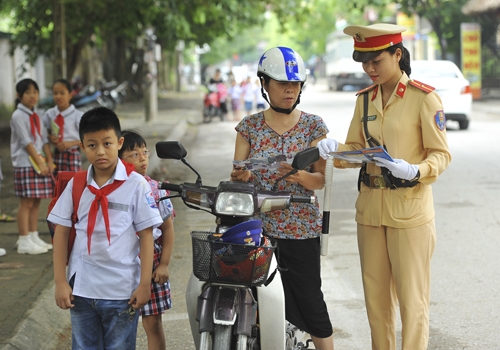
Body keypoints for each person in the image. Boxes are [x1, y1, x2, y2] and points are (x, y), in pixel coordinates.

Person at [317, 23, 451, 350]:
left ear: (398, 54)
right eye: (364, 62)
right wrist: (333, 149)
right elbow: (353, 150)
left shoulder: (424, 98)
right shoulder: (364, 101)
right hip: (370, 211)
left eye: (376, 60)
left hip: (410, 211)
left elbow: (441, 155)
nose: (369, 69)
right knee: (377, 304)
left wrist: (415, 170)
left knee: (412, 303)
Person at [230, 46, 335, 350]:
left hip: (301, 227)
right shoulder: (248, 127)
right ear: (264, 84)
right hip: (256, 228)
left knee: (309, 298)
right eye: (282, 84)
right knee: (254, 299)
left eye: (295, 85)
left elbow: (321, 179)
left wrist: (296, 175)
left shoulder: (314, 126)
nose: (290, 91)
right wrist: (243, 176)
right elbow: (237, 173)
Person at [48, 107, 163, 349]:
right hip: (81, 291)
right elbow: (61, 232)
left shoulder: (136, 185)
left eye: (107, 143)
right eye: (91, 145)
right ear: (82, 146)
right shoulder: (77, 184)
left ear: (119, 143)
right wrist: (60, 281)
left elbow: (146, 235)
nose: (100, 151)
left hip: (121, 292)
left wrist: (144, 285)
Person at [119, 130, 175, 350]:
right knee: (121, 322)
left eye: (144, 152)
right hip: (122, 264)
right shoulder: (114, 190)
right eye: (134, 154)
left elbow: (168, 230)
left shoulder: (155, 189)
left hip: (152, 263)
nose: (142, 158)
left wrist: (163, 264)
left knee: (152, 324)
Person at [11, 78, 54, 255]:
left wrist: (49, 161)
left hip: (39, 163)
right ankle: (23, 239)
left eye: (35, 92)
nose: (32, 96)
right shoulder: (17, 116)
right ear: (19, 95)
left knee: (36, 202)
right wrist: (41, 162)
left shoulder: (37, 114)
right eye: (28, 92)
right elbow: (26, 142)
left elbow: (43, 140)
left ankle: (33, 235)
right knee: (26, 203)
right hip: (25, 163)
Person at [43, 78, 84, 173]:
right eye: (55, 93)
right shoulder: (49, 114)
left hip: (72, 155)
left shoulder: (78, 116)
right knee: (56, 184)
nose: (58, 96)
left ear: (70, 95)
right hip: (55, 154)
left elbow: (87, 138)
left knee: (73, 183)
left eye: (62, 93)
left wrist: (70, 144)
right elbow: (45, 133)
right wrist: (50, 137)